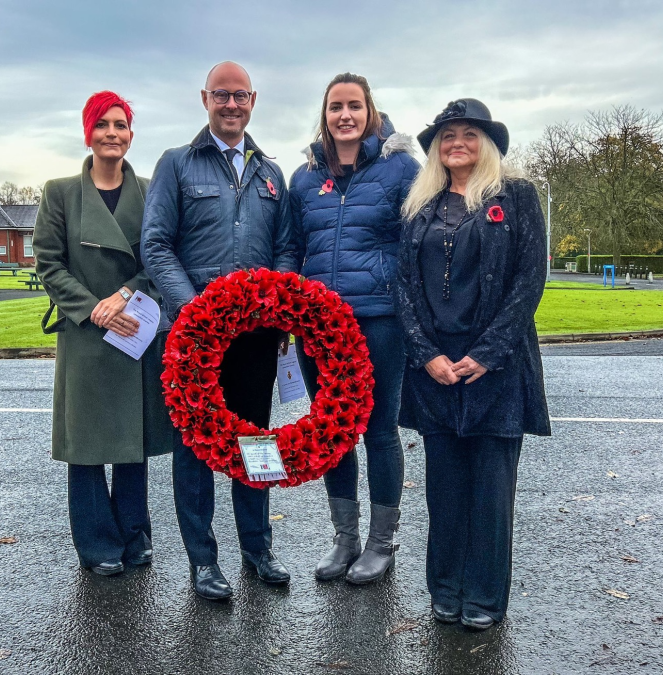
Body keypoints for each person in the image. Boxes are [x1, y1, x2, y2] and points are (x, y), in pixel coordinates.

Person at [141, 62, 296, 601]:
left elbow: (286, 249)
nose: (231, 105)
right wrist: (195, 313)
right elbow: (156, 245)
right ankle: (203, 560)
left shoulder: (271, 172)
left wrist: (280, 307)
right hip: (195, 338)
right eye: (221, 96)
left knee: (256, 440)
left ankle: (258, 547)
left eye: (240, 96)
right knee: (198, 446)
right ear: (204, 98)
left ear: (253, 100)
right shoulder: (177, 164)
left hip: (256, 337)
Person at [395, 99, 551, 630]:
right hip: (435, 369)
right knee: (444, 489)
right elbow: (403, 286)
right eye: (446, 135)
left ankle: (484, 596)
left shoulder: (518, 197)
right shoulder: (421, 206)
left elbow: (529, 282)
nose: (456, 142)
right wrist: (426, 354)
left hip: (496, 370)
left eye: (468, 133)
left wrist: (485, 355)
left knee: (490, 493)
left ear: (487, 143)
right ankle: (445, 587)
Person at [288, 73, 420, 584]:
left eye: (354, 106)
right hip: (318, 327)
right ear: (324, 115)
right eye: (335, 107)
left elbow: (416, 245)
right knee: (332, 430)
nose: (345, 115)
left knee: (379, 430)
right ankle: (344, 538)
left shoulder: (401, 169)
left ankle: (381, 543)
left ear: (370, 112)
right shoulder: (304, 178)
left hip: (379, 321)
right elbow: (293, 249)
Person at [34, 91, 171, 576]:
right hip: (87, 335)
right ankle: (97, 544)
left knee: (132, 442)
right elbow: (49, 264)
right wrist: (94, 309)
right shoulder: (60, 192)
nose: (112, 134)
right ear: (88, 133)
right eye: (103, 125)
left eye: (121, 125)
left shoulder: (153, 190)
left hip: (135, 329)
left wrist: (127, 295)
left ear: (131, 134)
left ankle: (136, 535)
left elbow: (160, 256)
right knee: (88, 446)